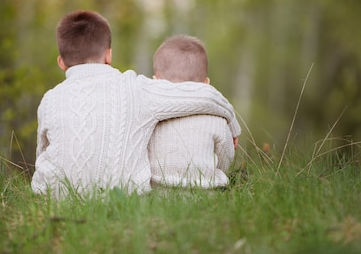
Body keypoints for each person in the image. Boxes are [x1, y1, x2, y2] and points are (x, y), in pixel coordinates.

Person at [31, 10, 240, 198]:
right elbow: (200, 95)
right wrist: (232, 122)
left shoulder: (49, 100)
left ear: (61, 62)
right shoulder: (134, 88)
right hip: (118, 196)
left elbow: (43, 152)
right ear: (108, 55)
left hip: (54, 196)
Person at [148, 35, 239, 188]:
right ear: (206, 83)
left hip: (158, 191)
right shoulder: (217, 120)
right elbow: (225, 161)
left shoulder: (150, 115)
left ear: (156, 80)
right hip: (206, 193)